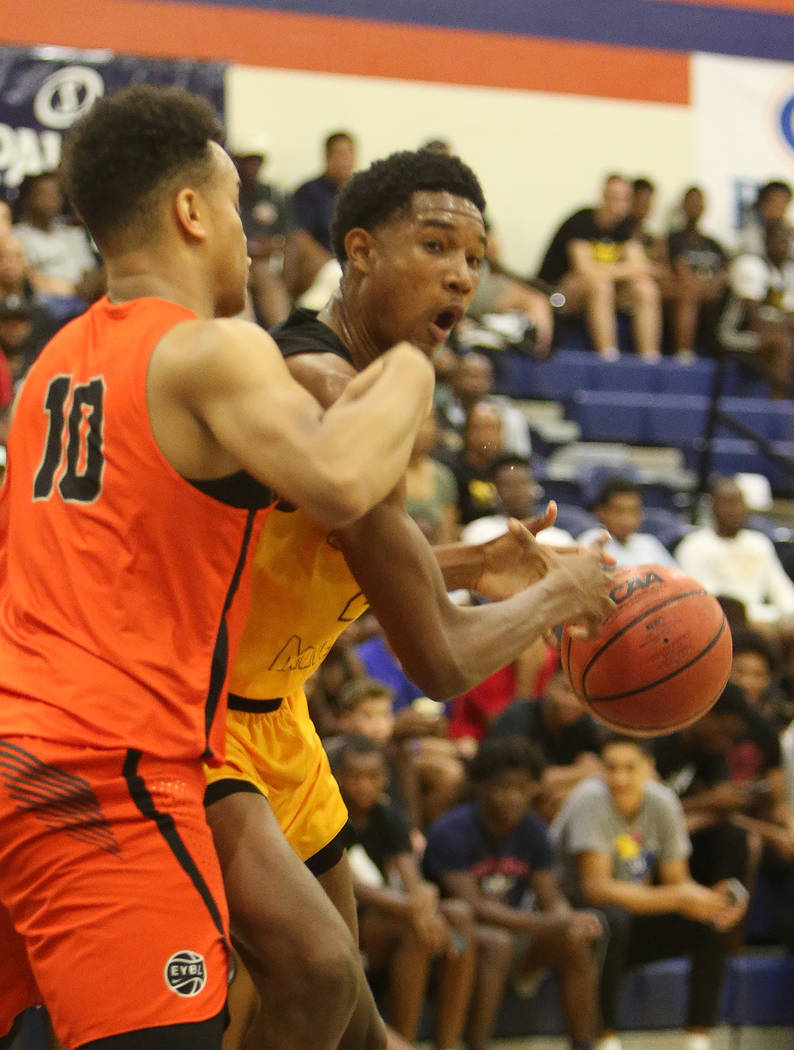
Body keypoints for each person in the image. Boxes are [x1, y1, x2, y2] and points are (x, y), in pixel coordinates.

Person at [0, 85, 436, 1050]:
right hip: (103, 776)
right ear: (192, 212)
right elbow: (335, 479)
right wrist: (409, 364)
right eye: (236, 205)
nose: (250, 235)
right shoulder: (207, 351)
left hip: (28, 752)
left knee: (318, 969)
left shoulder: (52, 368)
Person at [202, 148, 615, 1050]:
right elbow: (438, 662)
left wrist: (473, 564)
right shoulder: (319, 385)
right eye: (434, 246)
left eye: (474, 257)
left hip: (278, 721)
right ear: (359, 250)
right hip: (194, 726)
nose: (462, 276)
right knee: (313, 980)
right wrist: (561, 596)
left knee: (350, 1019)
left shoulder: (365, 387)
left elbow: (342, 551)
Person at [553, 734, 745, 1050]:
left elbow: (676, 881)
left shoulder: (663, 801)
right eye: (611, 767)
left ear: (650, 768)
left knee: (710, 921)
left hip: (631, 918)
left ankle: (698, 1036)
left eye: (630, 767)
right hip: (575, 923)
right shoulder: (590, 799)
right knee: (610, 921)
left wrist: (713, 901)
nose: (620, 778)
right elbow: (595, 888)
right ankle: (606, 1037)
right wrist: (683, 897)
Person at [423, 737, 604, 1050]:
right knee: (497, 943)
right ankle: (477, 1044)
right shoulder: (450, 831)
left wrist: (567, 922)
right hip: (454, 942)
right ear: (480, 787)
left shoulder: (533, 829)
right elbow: (474, 907)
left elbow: (550, 898)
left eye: (522, 788)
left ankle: (584, 1044)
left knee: (572, 940)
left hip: (513, 931)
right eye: (502, 788)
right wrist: (549, 924)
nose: (513, 798)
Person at [333, 734, 476, 1050]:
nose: (364, 785)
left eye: (372, 777)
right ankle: (405, 1041)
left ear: (384, 778)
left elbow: (414, 879)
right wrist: (415, 910)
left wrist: (423, 905)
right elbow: (351, 886)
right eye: (355, 776)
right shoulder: (329, 816)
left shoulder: (388, 815)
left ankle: (448, 1042)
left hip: (390, 911)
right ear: (339, 778)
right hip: (346, 918)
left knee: (460, 916)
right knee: (415, 929)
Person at [536, 174, 661, 361]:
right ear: (603, 197)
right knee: (599, 285)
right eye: (614, 197)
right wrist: (624, 270)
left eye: (625, 199)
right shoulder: (583, 220)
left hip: (600, 288)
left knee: (645, 288)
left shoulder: (622, 228)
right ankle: (608, 357)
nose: (619, 205)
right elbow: (585, 270)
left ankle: (651, 359)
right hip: (556, 295)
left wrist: (613, 271)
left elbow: (642, 267)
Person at [490, 650, 603, 822]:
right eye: (565, 690)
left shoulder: (584, 724)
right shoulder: (518, 716)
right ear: (548, 685)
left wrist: (566, 785)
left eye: (580, 696)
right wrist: (582, 773)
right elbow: (528, 783)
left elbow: (604, 768)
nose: (572, 701)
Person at [675, 475, 794, 634]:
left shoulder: (758, 543)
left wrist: (787, 615)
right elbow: (708, 601)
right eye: (727, 503)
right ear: (713, 507)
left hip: (767, 622)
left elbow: (781, 589)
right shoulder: (694, 546)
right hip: (722, 626)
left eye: (738, 503)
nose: (734, 510)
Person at [12, 170, 103, 318]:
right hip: (47, 305)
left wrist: (83, 291)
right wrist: (72, 291)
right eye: (44, 194)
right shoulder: (18, 236)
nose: (52, 200)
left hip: (84, 299)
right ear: (28, 198)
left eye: (56, 195)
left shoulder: (73, 233)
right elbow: (31, 281)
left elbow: (90, 273)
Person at [717, 220, 794, 395]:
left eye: (786, 240)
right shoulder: (750, 266)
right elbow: (755, 321)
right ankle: (777, 410)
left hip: (772, 331)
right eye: (778, 239)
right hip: (735, 334)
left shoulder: (789, 271)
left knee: (783, 339)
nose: (783, 245)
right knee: (782, 343)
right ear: (766, 241)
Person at [284, 130, 356, 307]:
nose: (344, 161)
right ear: (327, 157)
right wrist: (330, 264)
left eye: (348, 154)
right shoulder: (309, 192)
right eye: (339, 155)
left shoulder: (362, 192)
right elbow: (300, 236)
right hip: (321, 264)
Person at [228, 133, 291, 327]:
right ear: (237, 162)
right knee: (239, 283)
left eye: (256, 161)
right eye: (246, 161)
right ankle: (247, 337)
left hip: (267, 263)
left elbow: (286, 238)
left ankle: (284, 336)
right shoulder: (228, 193)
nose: (251, 167)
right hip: (236, 263)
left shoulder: (274, 194)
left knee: (267, 279)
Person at [666, 186, 728, 360]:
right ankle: (684, 354)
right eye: (691, 202)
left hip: (712, 295)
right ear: (683, 206)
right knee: (688, 293)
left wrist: (714, 285)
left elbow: (724, 271)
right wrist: (701, 287)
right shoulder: (674, 239)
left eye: (699, 203)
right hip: (687, 292)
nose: (695, 207)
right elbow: (680, 271)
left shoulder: (714, 244)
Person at [461, 454, 574, 548]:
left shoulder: (559, 538)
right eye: (507, 485)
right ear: (495, 492)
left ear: (535, 487)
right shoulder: (479, 531)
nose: (517, 491)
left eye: (523, 483)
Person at [435, 351, 531, 458]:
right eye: (467, 375)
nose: (473, 383)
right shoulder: (439, 414)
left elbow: (519, 460)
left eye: (478, 376)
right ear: (453, 380)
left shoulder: (510, 417)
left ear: (490, 381)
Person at [578, 475, 676, 568]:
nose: (627, 519)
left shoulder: (649, 543)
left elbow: (679, 578)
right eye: (618, 511)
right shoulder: (589, 542)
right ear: (601, 512)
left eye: (633, 511)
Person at [404, 410, 459, 544]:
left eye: (426, 421)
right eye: (413, 419)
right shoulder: (386, 475)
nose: (420, 429)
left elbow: (447, 538)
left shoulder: (444, 477)